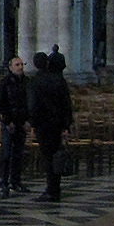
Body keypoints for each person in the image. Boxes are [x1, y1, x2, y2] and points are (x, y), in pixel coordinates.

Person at [28, 49, 74, 202]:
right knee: (56, 155)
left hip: (43, 124)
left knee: (48, 158)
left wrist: (32, 124)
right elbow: (66, 104)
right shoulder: (59, 80)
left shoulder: (35, 81)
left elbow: (33, 105)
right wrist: (66, 125)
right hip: (57, 123)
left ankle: (51, 189)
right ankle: (55, 187)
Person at [0, 54, 30, 196]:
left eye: (22, 64)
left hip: (22, 122)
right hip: (9, 123)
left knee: (18, 154)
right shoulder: (5, 83)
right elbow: (1, 103)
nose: (20, 67)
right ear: (10, 68)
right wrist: (7, 121)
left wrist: (29, 121)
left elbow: (29, 103)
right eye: (17, 65)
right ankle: (3, 182)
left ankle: (16, 181)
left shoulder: (27, 82)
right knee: (6, 154)